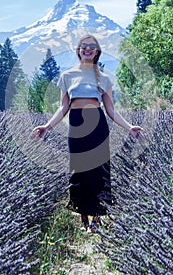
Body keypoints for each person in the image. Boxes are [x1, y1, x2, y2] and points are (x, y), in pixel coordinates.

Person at [32, 34, 143, 233]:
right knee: (79, 171)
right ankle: (83, 217)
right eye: (84, 46)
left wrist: (129, 127)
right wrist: (46, 127)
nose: (88, 49)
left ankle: (96, 219)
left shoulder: (105, 77)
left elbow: (111, 110)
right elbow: (62, 107)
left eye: (92, 46)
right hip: (76, 125)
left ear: (97, 51)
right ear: (79, 50)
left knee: (98, 172)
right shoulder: (67, 76)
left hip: (97, 124)